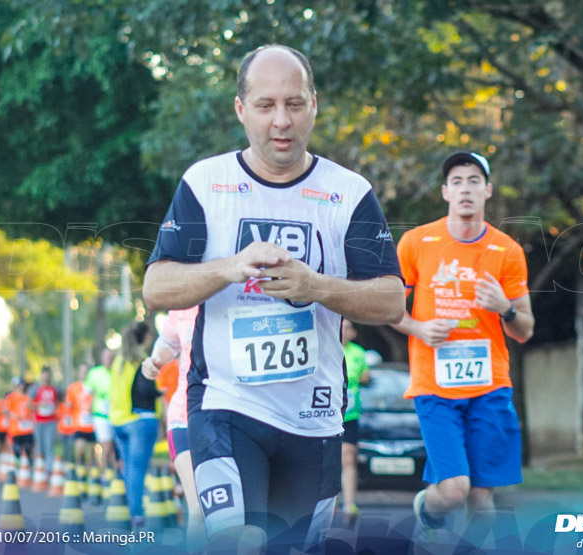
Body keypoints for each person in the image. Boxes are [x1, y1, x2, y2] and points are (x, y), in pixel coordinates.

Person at [142, 44, 403, 549]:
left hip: (315, 417)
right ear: (241, 109)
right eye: (265, 105)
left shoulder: (348, 193)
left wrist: (317, 286)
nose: (281, 121)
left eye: (294, 104)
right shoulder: (205, 184)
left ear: (314, 105)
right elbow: (156, 286)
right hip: (225, 407)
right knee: (236, 540)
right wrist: (229, 268)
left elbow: (391, 301)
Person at [391, 151, 534, 537]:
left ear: (487, 190)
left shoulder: (507, 251)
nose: (465, 188)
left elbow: (525, 329)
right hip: (435, 387)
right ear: (445, 192)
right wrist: (418, 329)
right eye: (457, 181)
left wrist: (504, 308)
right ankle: (427, 506)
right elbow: (386, 308)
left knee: (482, 502)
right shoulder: (416, 243)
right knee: (455, 491)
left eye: (473, 180)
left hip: (489, 387)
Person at [142, 307, 205, 547]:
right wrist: (156, 360)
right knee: (199, 509)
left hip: (232, 418)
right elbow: (168, 339)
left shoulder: (238, 289)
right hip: (184, 417)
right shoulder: (184, 299)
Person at [108, 322, 160, 530]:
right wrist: (162, 393)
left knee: (129, 468)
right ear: (145, 338)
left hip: (118, 421)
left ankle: (132, 511)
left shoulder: (118, 361)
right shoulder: (141, 360)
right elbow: (145, 390)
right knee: (138, 469)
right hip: (139, 420)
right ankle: (137, 513)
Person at [339, 318, 371, 524]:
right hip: (327, 413)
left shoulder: (358, 353)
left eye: (349, 328)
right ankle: (328, 501)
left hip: (350, 414)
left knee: (348, 458)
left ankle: (349, 504)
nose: (345, 331)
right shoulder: (327, 347)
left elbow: (366, 377)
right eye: (342, 327)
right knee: (328, 458)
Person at [85, 348, 116, 475]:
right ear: (102, 359)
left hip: (116, 414)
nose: (109, 360)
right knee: (106, 444)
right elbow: (87, 393)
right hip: (100, 414)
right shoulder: (95, 373)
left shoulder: (117, 372)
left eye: (111, 357)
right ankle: (103, 473)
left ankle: (112, 473)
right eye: (107, 357)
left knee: (111, 447)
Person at [31, 365, 60, 465]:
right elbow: (29, 404)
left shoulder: (55, 389)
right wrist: (40, 404)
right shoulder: (35, 389)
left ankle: (49, 469)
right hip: (39, 421)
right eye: (44, 375)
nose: (46, 377)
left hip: (51, 421)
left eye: (48, 375)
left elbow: (59, 403)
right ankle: (38, 467)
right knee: (39, 445)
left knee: (49, 445)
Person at [6, 377, 35, 463]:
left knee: (28, 447)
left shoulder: (28, 397)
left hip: (28, 428)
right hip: (16, 428)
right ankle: (18, 464)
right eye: (18, 385)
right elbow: (7, 410)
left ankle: (29, 464)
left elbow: (33, 408)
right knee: (17, 448)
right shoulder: (11, 397)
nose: (21, 387)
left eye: (22, 385)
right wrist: (14, 416)